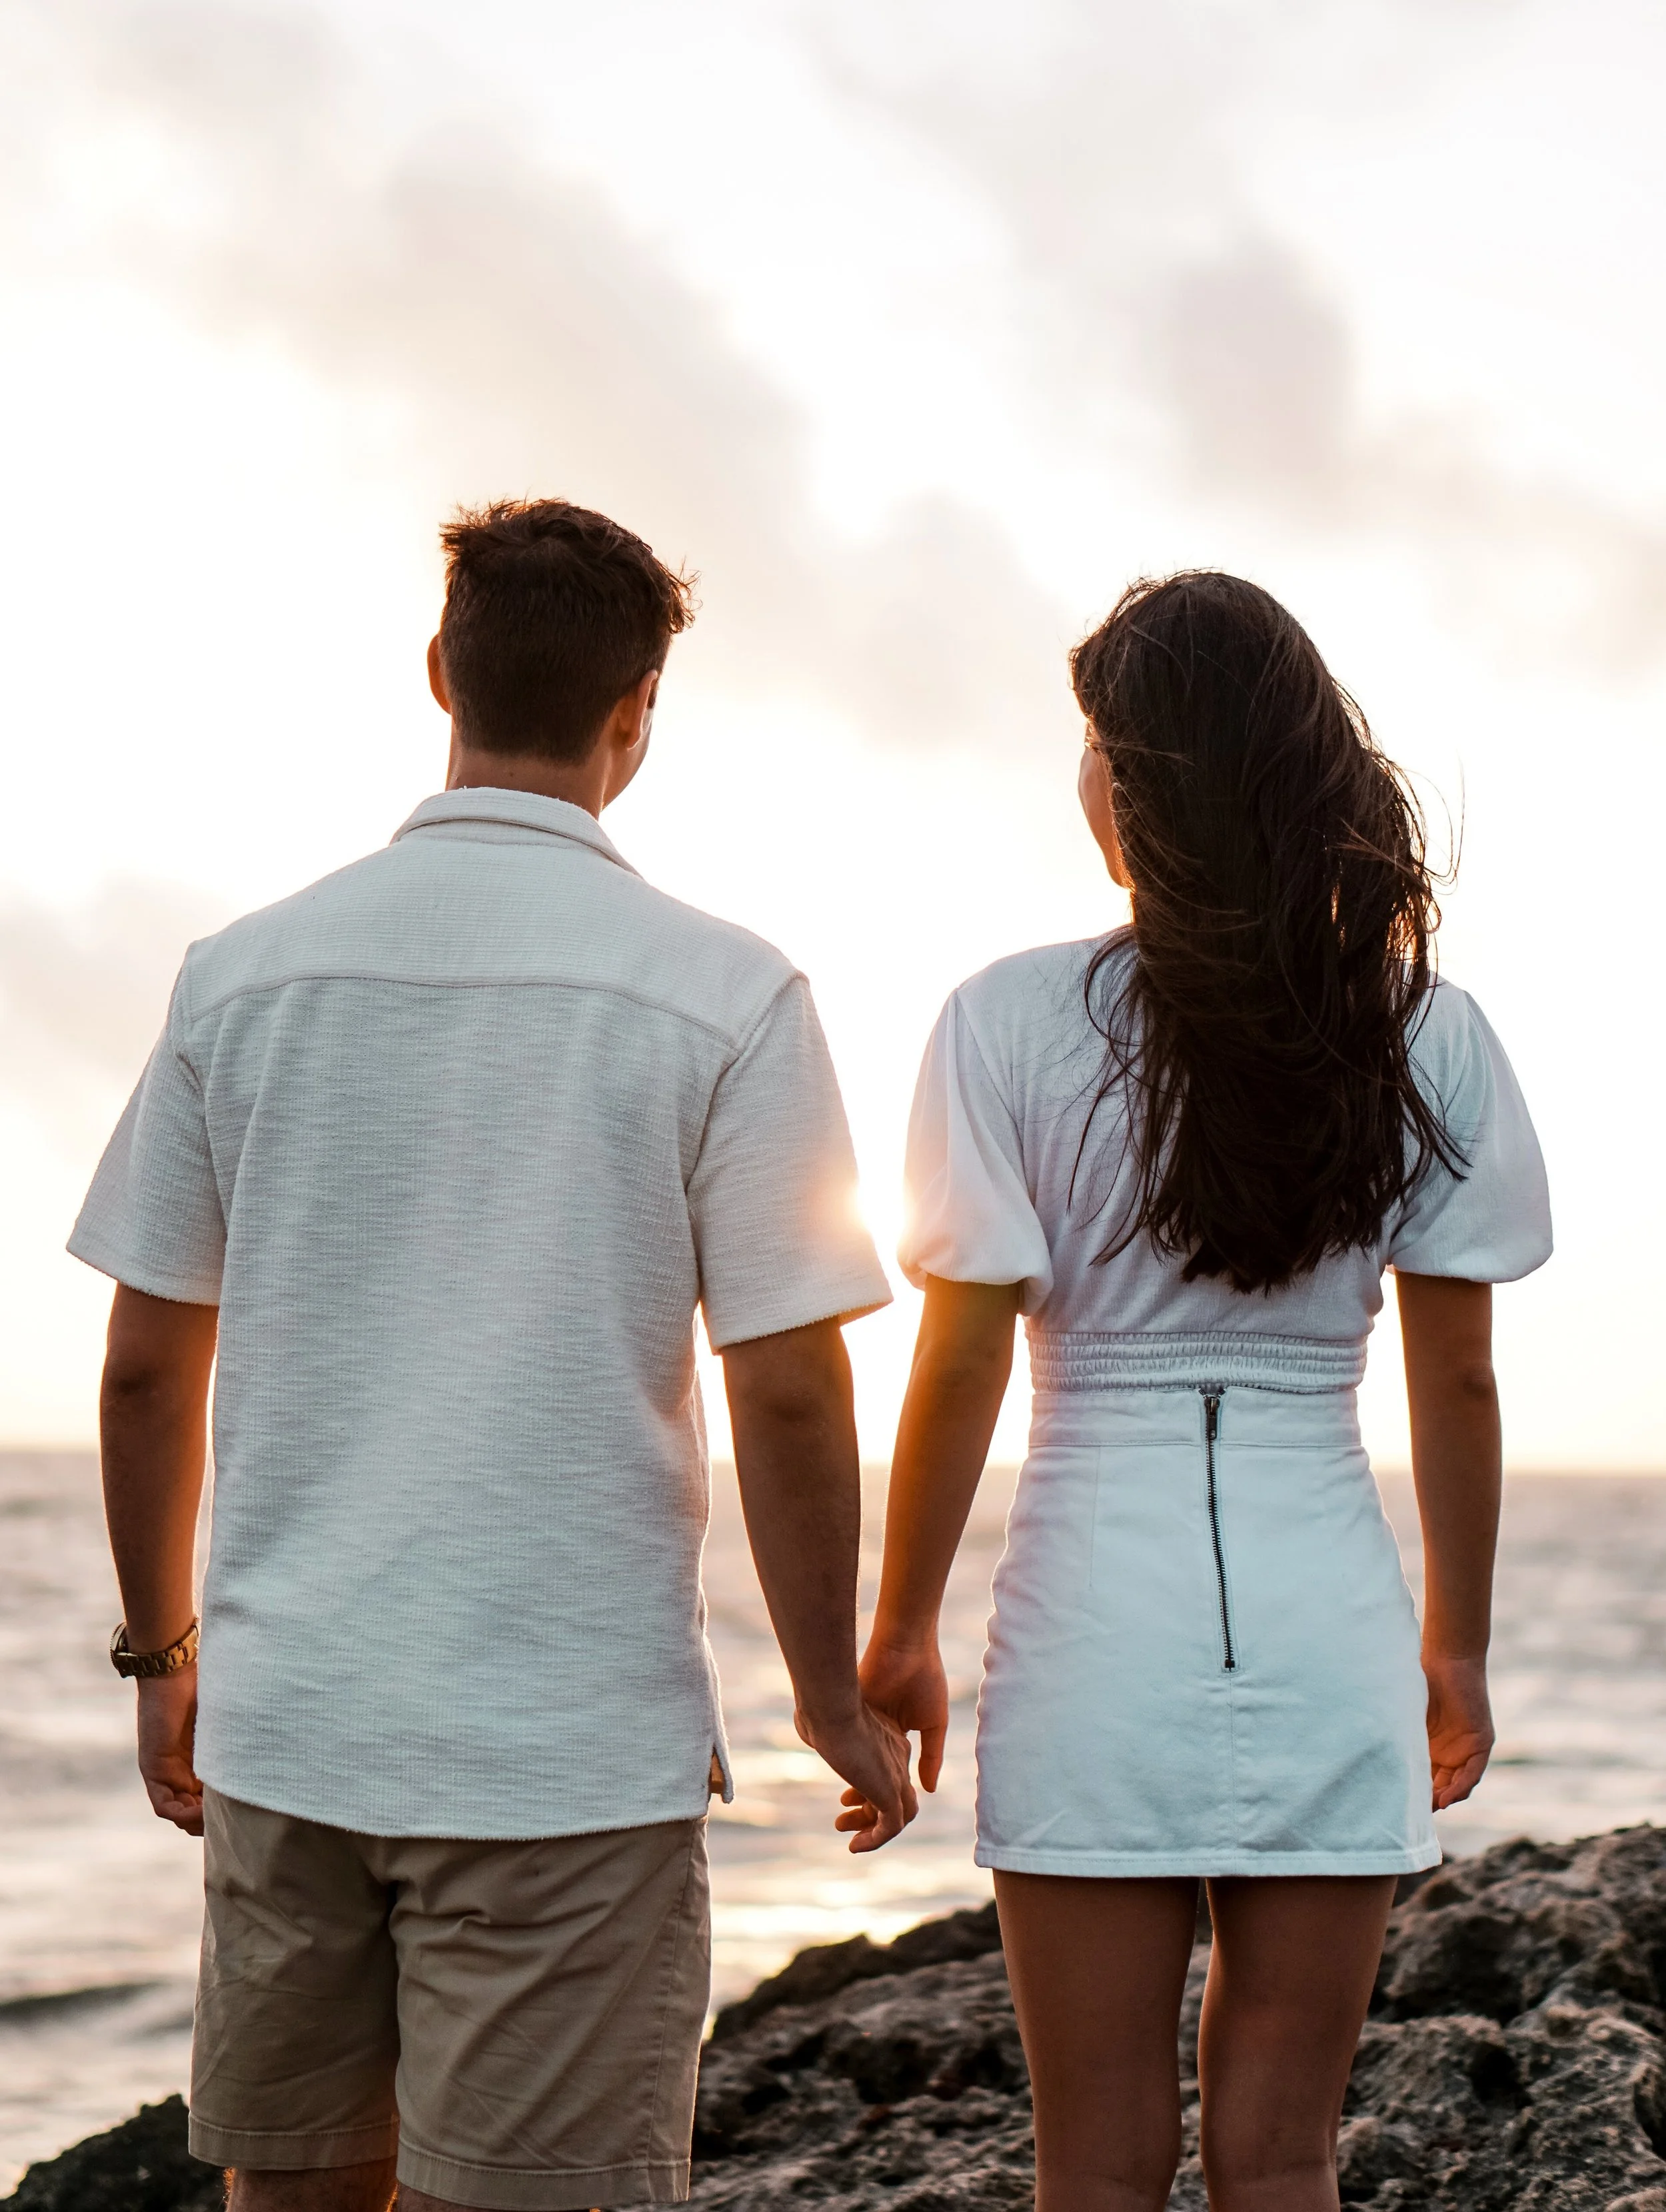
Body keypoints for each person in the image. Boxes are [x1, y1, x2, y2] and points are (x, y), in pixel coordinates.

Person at [70, 497, 914, 2212]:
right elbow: (787, 1387)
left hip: (292, 1734)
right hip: (563, 1753)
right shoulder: (726, 992)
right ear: (637, 715)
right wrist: (827, 1689)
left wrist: (162, 1647)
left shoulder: (241, 978)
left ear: (440, 671)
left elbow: (150, 1369)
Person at [858, 572, 1551, 2212]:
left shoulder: (1006, 1018)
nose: (1078, 776)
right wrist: (1449, 1641)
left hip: (1093, 1625)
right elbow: (1453, 1376)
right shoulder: (1421, 1032)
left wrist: (896, 1631)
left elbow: (957, 1356)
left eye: (1093, 742)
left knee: (1091, 2159)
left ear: (1143, 781)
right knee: (1284, 2157)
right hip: (1325, 1625)